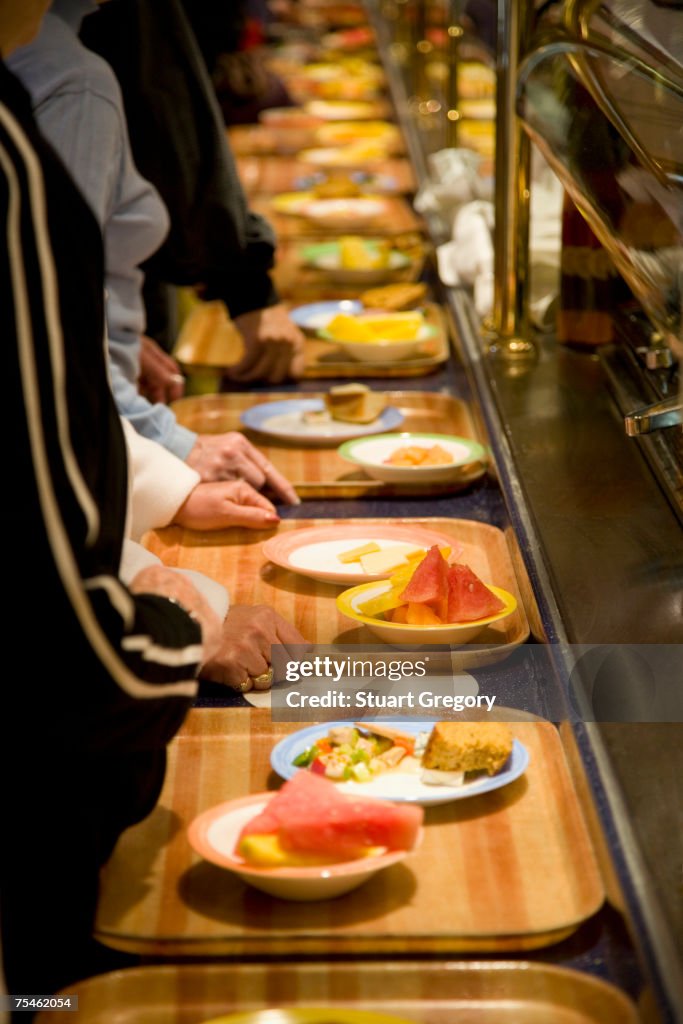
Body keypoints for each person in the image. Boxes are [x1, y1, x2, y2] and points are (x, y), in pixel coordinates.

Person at [8, 0, 302, 495]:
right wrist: (169, 445)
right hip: (92, 446)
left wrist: (108, 330)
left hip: (110, 421)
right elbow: (57, 319)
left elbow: (56, 294)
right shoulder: (70, 77)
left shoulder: (56, 58)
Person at [79, 0, 306, 382]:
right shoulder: (73, 76)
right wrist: (247, 285)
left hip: (111, 312)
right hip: (96, 315)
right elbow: (165, 110)